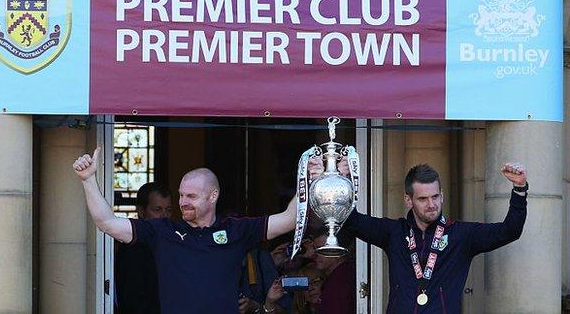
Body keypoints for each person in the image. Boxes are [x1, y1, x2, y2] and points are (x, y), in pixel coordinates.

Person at [73, 148, 298, 313]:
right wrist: (88, 180)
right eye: (181, 195)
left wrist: (314, 178)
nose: (183, 202)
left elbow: (290, 219)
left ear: (213, 196)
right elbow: (106, 223)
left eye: (191, 196)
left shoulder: (237, 229)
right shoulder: (162, 231)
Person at [338, 161, 528, 313]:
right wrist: (340, 181)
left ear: (442, 196)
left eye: (435, 197)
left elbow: (509, 231)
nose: (431, 204)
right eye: (422, 199)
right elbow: (350, 221)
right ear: (408, 200)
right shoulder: (394, 232)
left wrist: (519, 189)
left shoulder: (461, 235)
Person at [115, 182, 171, 314]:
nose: (164, 216)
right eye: (157, 210)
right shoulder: (132, 249)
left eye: (168, 210)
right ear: (141, 211)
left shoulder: (172, 240)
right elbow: (131, 300)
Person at [311, 233, 356, 314]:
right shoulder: (337, 276)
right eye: (315, 249)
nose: (315, 254)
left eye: (322, 249)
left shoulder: (340, 280)